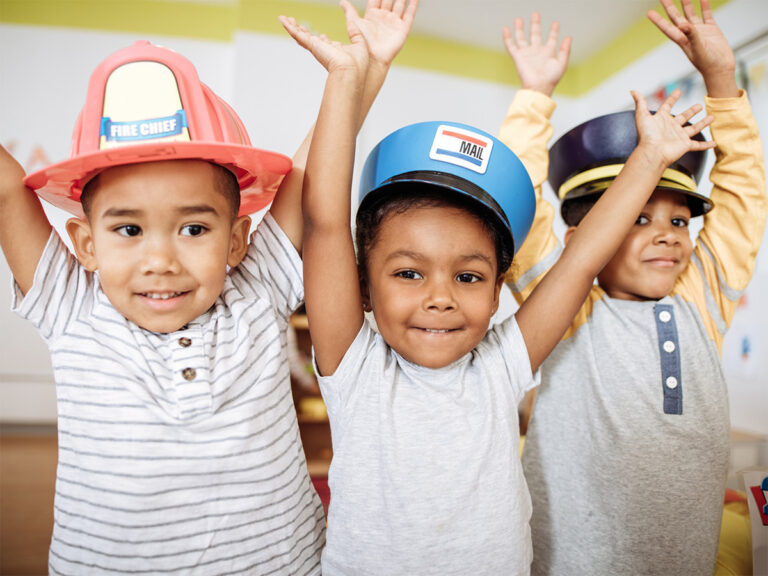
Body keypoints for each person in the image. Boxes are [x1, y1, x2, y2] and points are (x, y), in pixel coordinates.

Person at [280, 3, 714, 573]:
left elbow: (581, 259)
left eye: (468, 276)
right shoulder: (354, 368)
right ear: (363, 287)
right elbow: (326, 223)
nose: (441, 297)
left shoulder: (501, 363)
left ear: (497, 290)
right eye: (409, 273)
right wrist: (347, 79)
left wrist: (651, 157)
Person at [0, 1, 415, 573]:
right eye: (128, 229)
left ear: (237, 239)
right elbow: (5, 189)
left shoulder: (258, 287)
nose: (161, 259)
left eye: (194, 228)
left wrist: (364, 70)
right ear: (85, 243)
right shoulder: (70, 306)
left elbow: (314, 176)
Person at [498, 3, 767, 574]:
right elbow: (518, 204)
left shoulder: (701, 300)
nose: (667, 235)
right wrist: (535, 97)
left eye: (678, 220)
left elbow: (743, 194)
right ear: (580, 240)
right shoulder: (565, 306)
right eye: (636, 219)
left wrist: (721, 79)